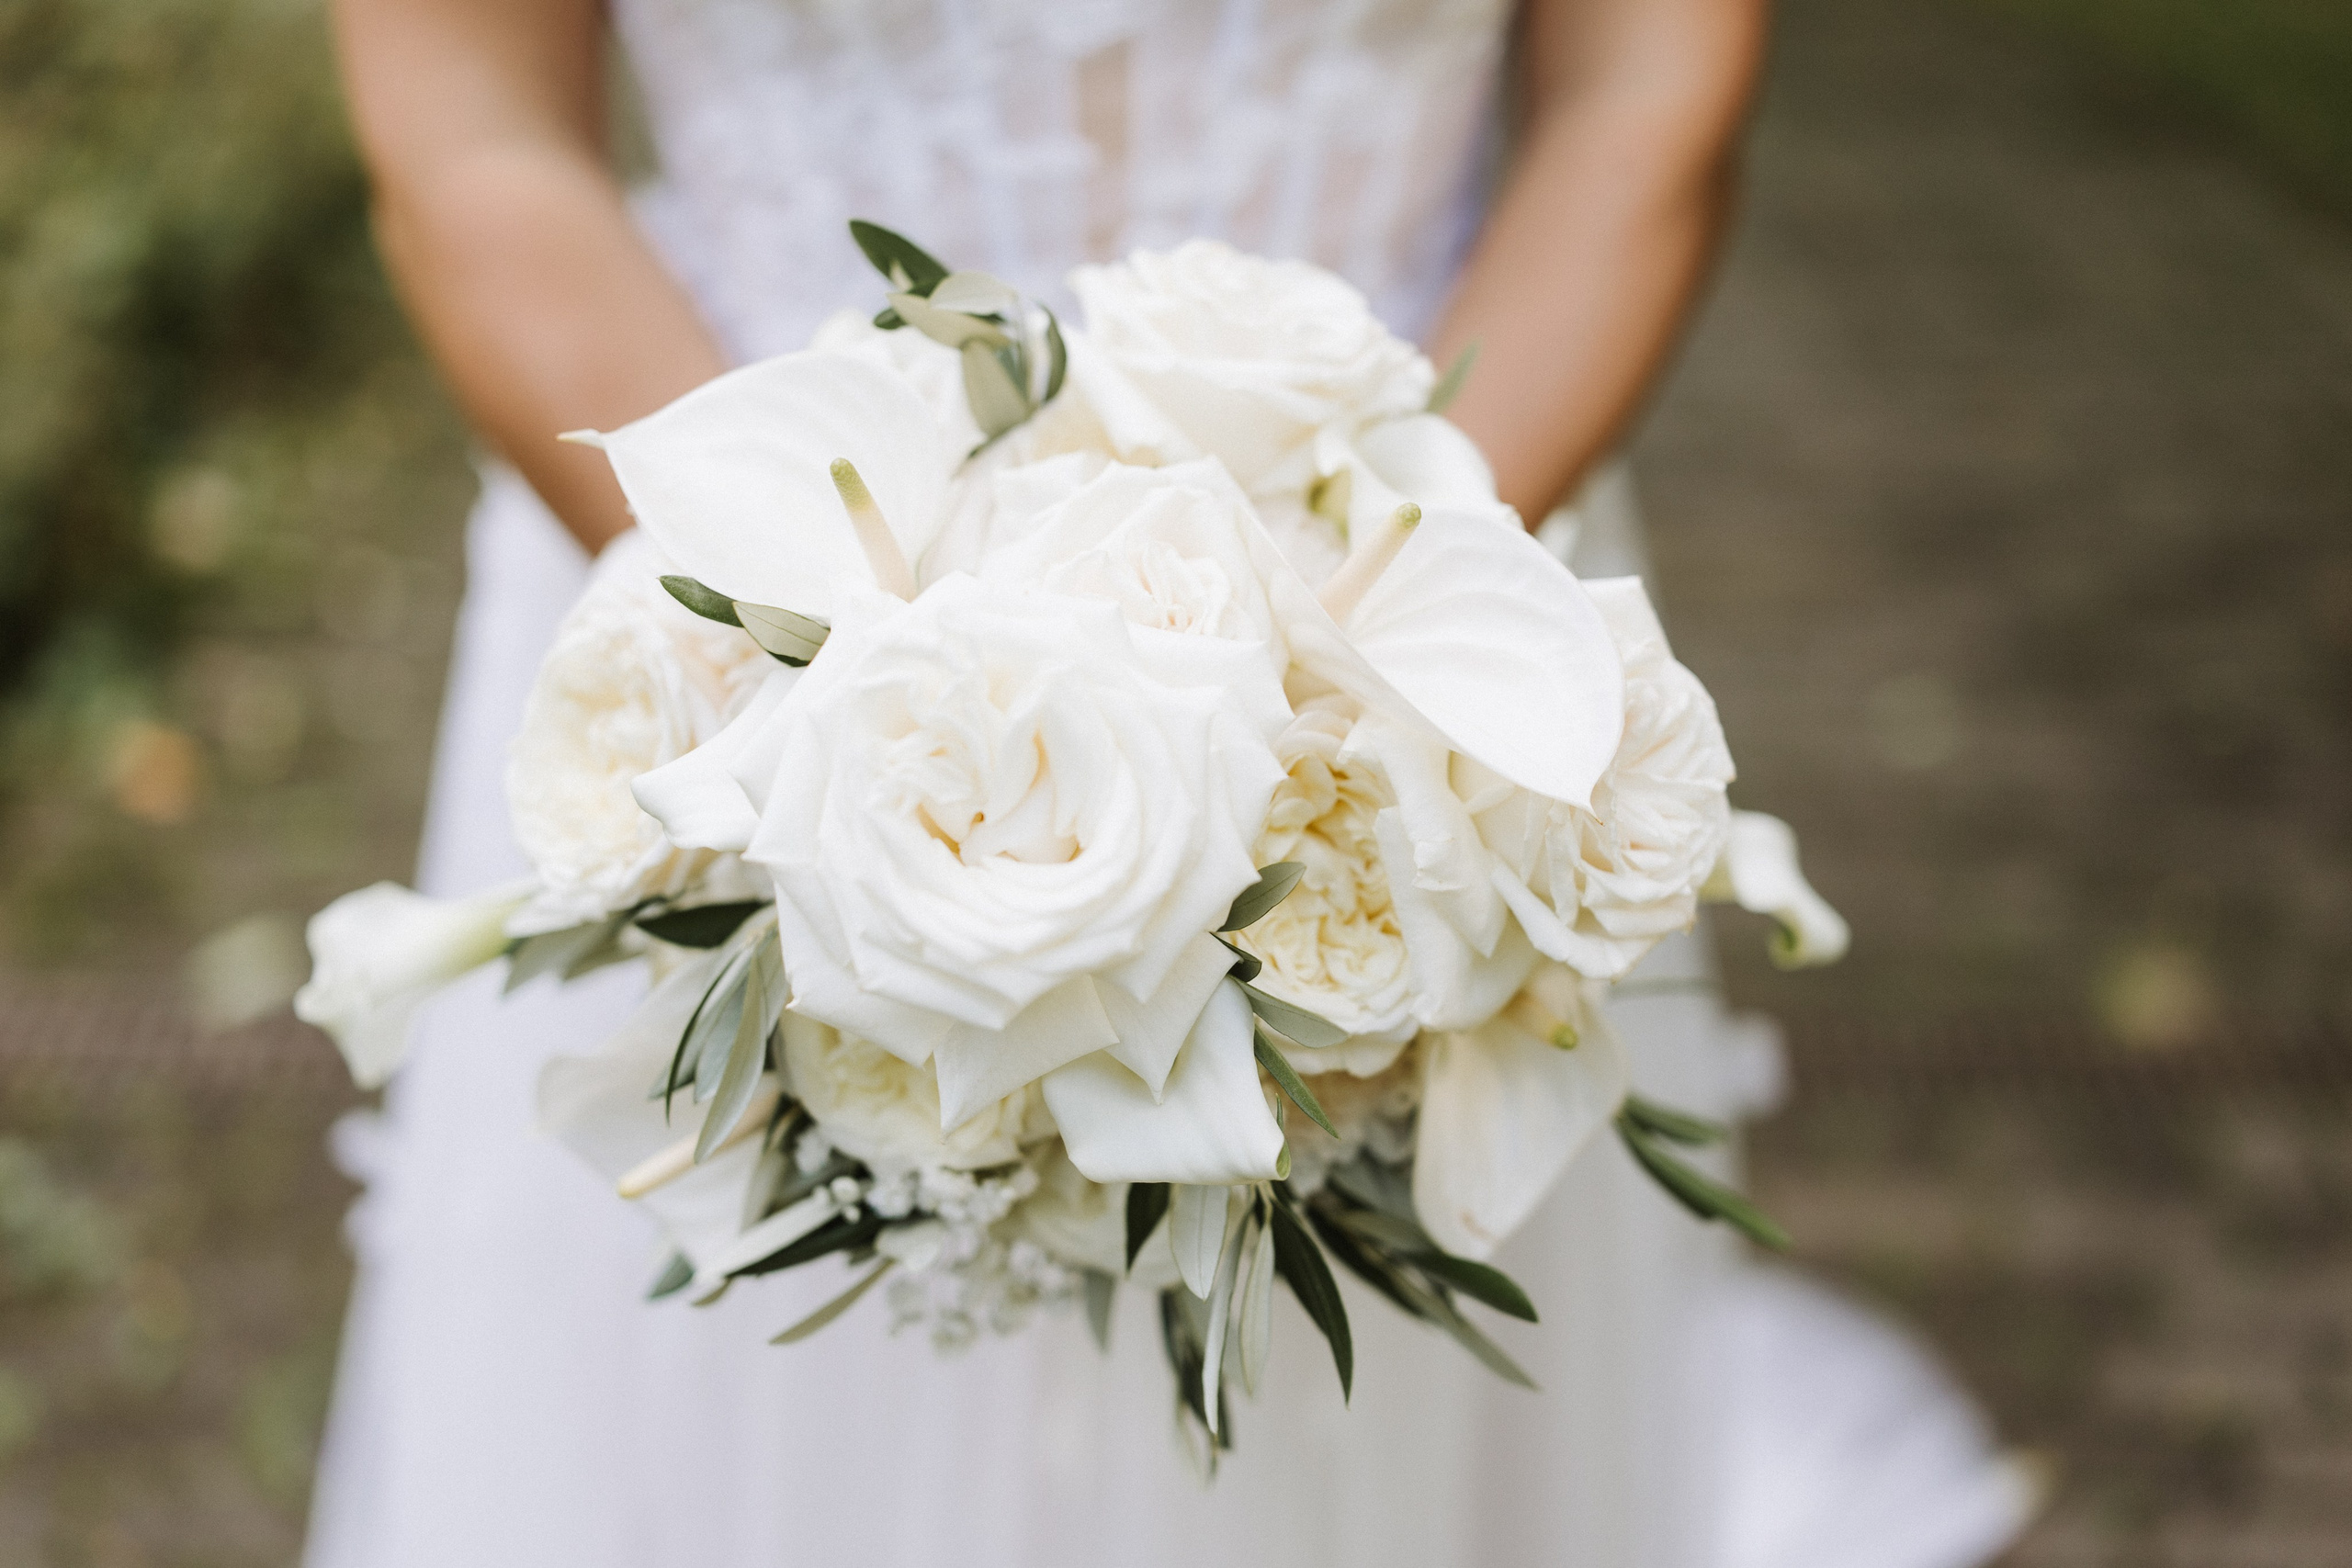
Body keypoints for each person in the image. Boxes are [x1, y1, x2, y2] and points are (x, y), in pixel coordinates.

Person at [307, 2, 2032, 1564]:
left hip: (1422, 597)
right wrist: (827, 696)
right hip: (723, 597)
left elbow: (1642, 86)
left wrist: (1350, 666)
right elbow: (479, 138)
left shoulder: (1398, 649)